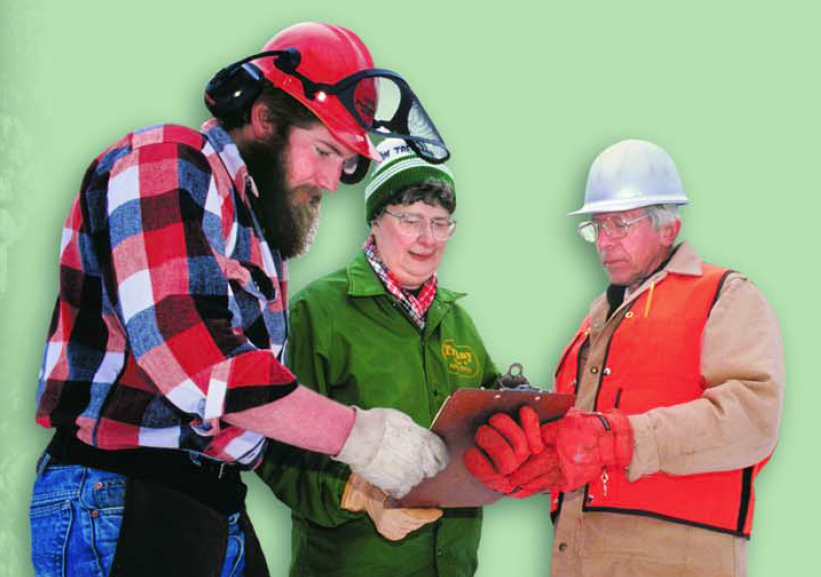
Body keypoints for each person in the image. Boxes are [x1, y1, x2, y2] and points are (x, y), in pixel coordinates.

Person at [30, 23, 453, 577]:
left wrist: (356, 488)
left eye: (345, 163)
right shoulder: (168, 160)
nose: (331, 181)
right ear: (265, 120)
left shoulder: (251, 225)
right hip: (125, 489)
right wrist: (360, 436)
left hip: (211, 499)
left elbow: (243, 410)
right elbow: (196, 364)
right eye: (324, 150)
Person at [465, 139, 785, 577]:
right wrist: (541, 461)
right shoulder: (595, 319)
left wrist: (622, 439)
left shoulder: (725, 296)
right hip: (577, 556)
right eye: (598, 227)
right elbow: (583, 445)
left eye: (620, 224)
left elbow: (753, 420)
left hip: (679, 560)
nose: (605, 242)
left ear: (668, 228)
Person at [256, 137, 498, 577]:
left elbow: (488, 422)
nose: (428, 238)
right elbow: (272, 449)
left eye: (441, 223)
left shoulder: (457, 320)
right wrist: (361, 497)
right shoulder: (320, 312)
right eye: (411, 220)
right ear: (374, 221)